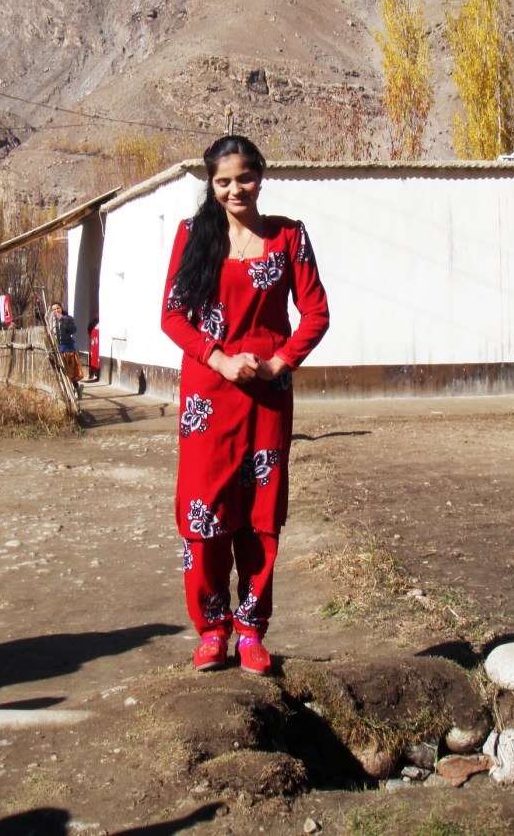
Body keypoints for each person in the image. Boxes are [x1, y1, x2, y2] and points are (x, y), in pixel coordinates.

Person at [161, 135, 329, 675]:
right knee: (203, 513)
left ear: (261, 176)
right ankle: (211, 630)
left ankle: (252, 631)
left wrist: (279, 364)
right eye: (224, 181)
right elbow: (172, 315)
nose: (236, 189)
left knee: (260, 517)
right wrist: (219, 359)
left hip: (268, 400)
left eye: (245, 177)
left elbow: (316, 313)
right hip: (208, 398)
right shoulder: (193, 236)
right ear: (212, 186)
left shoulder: (288, 237)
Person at [50, 302, 83, 397]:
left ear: (61, 308)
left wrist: (64, 321)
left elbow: (73, 330)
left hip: (68, 349)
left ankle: (76, 389)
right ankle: (65, 393)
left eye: (58, 308)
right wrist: (37, 304)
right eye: (54, 309)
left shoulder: (68, 318)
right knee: (61, 372)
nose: (56, 311)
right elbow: (40, 315)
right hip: (58, 349)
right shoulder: (52, 320)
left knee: (71, 372)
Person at [87, 312, 100, 381]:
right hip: (94, 342)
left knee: (97, 357)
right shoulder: (93, 323)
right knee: (93, 356)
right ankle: (92, 373)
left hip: (98, 343)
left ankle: (97, 373)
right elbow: (89, 329)